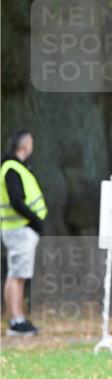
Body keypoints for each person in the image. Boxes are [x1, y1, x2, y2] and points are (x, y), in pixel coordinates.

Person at [1, 130, 47, 336]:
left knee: (18, 275)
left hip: (19, 230)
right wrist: (34, 221)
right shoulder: (12, 169)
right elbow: (16, 201)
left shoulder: (14, 168)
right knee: (16, 275)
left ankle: (18, 318)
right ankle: (15, 320)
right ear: (26, 144)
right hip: (19, 230)